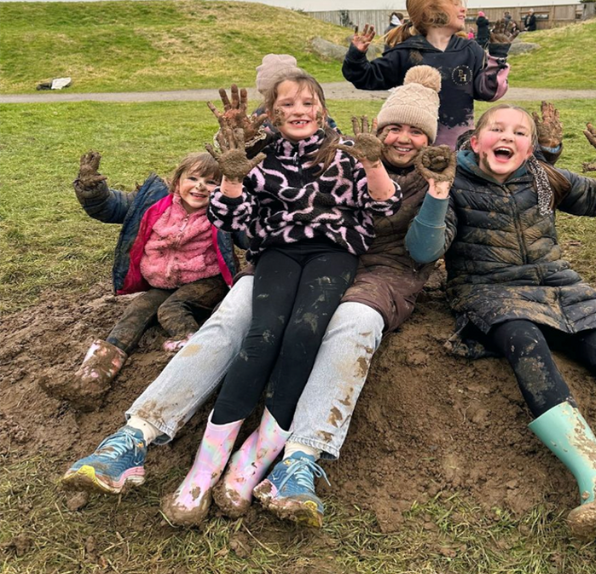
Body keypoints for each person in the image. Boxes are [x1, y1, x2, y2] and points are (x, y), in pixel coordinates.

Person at [59, 82, 563, 528]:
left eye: (415, 130)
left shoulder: (435, 171)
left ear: (428, 138)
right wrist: (248, 133)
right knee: (232, 318)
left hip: (382, 270)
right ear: (377, 129)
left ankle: (300, 456)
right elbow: (286, 139)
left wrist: (439, 190)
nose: (402, 139)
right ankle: (134, 436)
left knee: (353, 325)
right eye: (393, 128)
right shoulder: (335, 149)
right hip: (291, 255)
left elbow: (440, 233)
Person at [405, 105, 596, 538]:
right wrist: (437, 193)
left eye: (520, 132)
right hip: (490, 290)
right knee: (525, 343)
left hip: (564, 289)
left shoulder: (543, 177)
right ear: (475, 138)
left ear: (529, 146)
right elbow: (424, 251)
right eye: (498, 129)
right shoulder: (456, 183)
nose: (508, 137)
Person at [157, 68, 401, 526]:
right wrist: (231, 177)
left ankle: (256, 454)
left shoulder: (345, 153)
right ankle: (205, 466)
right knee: (262, 334)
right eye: (287, 104)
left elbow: (384, 205)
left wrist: (372, 163)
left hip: (333, 252)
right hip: (278, 252)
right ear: (271, 114)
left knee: (304, 333)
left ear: (321, 109)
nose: (299, 111)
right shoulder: (262, 158)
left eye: (308, 103)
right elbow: (230, 218)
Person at [40, 152, 239, 409]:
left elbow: (246, 234)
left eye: (212, 182)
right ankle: (90, 379)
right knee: (134, 313)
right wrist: (92, 189)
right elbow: (111, 206)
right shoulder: (153, 203)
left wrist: (236, 198)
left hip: (207, 282)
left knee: (172, 309)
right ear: (177, 181)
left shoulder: (222, 211)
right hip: (165, 284)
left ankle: (192, 348)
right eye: (193, 177)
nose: (201, 186)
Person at [342, 0, 510, 150]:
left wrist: (498, 56)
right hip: (412, 149)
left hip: (458, 148)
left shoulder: (470, 50)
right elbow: (366, 77)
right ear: (431, 11)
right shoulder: (406, 53)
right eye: (455, 3)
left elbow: (487, 91)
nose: (463, 9)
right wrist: (356, 55)